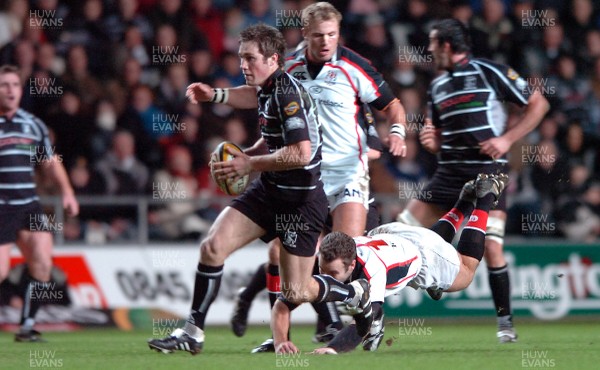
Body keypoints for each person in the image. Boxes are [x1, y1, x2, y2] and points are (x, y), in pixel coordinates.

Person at [187, 2, 408, 352]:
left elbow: (392, 104)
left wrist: (397, 132)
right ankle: (289, 332)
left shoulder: (354, 67)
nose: (326, 41)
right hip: (304, 172)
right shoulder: (285, 63)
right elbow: (257, 93)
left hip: (347, 173)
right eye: (318, 35)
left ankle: (361, 319)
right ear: (304, 34)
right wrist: (218, 95)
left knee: (344, 256)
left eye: (332, 34)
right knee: (281, 253)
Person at [147, 24, 373, 355]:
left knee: (296, 291)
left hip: (300, 203)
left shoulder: (287, 94)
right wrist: (216, 96)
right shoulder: (267, 88)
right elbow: (255, 105)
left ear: (272, 59)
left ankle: (353, 295)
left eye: (250, 58)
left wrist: (249, 165)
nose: (243, 65)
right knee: (212, 247)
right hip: (269, 192)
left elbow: (301, 153)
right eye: (241, 57)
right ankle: (192, 333)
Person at [397, 19, 550, 343]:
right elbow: (440, 137)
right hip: (448, 172)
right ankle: (430, 281)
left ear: (448, 46)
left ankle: (505, 324)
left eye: (433, 43)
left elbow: (539, 104)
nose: (428, 50)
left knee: (493, 249)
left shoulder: (489, 72)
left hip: (488, 172)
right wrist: (432, 142)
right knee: (403, 228)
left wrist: (508, 139)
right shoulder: (437, 86)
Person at [273, 173, 509, 354]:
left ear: (351, 265)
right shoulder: (336, 256)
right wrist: (281, 341)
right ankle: (464, 203)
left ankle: (483, 201)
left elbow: (363, 323)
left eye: (334, 273)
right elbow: (282, 305)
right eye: (324, 270)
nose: (326, 277)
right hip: (391, 235)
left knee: (466, 272)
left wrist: (333, 349)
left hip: (423, 254)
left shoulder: (370, 271)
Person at [0, 64, 79, 342]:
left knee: (43, 263)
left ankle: (27, 326)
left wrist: (67, 192)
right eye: (4, 85)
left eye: (14, 85)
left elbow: (50, 162)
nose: (10, 90)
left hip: (28, 205)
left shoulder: (33, 125)